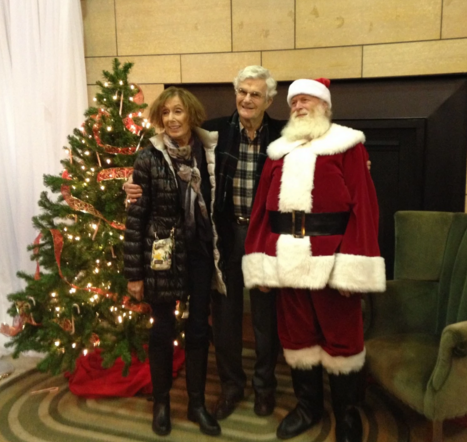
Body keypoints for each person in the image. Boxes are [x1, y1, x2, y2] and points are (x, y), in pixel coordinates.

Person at [124, 66, 283, 420]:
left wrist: (356, 159)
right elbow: (163, 154)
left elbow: (317, 150)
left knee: (264, 317)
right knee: (224, 319)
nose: (247, 99)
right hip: (223, 235)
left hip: (265, 236)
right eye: (242, 91)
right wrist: (130, 186)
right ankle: (231, 387)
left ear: (269, 100)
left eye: (255, 94)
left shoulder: (283, 136)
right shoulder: (215, 134)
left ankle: (264, 388)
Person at [242, 78, 386, 442]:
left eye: (306, 100)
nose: (299, 107)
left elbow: (364, 207)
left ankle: (347, 414)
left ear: (324, 105)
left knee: (342, 339)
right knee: (296, 337)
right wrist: (260, 262)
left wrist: (353, 267)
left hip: (332, 259)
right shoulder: (278, 152)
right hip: (285, 260)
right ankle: (308, 407)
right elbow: (261, 211)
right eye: (294, 102)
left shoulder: (347, 146)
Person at [124, 87, 221, 437]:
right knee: (162, 329)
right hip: (161, 255)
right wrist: (134, 274)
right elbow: (136, 218)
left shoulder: (208, 153)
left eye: (177, 111)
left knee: (198, 329)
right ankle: (162, 403)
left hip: (200, 254)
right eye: (165, 113)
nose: (171, 119)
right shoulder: (148, 158)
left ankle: (196, 404)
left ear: (190, 114)